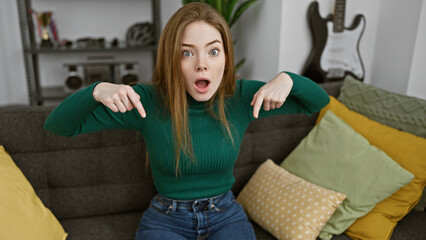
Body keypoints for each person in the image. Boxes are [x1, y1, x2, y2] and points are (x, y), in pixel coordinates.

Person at [44, 2, 330, 240]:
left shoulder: (242, 96)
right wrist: (95, 91)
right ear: (172, 59)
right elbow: (58, 125)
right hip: (166, 220)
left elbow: (318, 103)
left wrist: (289, 80)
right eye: (187, 52)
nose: (201, 64)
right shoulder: (146, 100)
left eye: (213, 51)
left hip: (226, 216)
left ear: (226, 58)